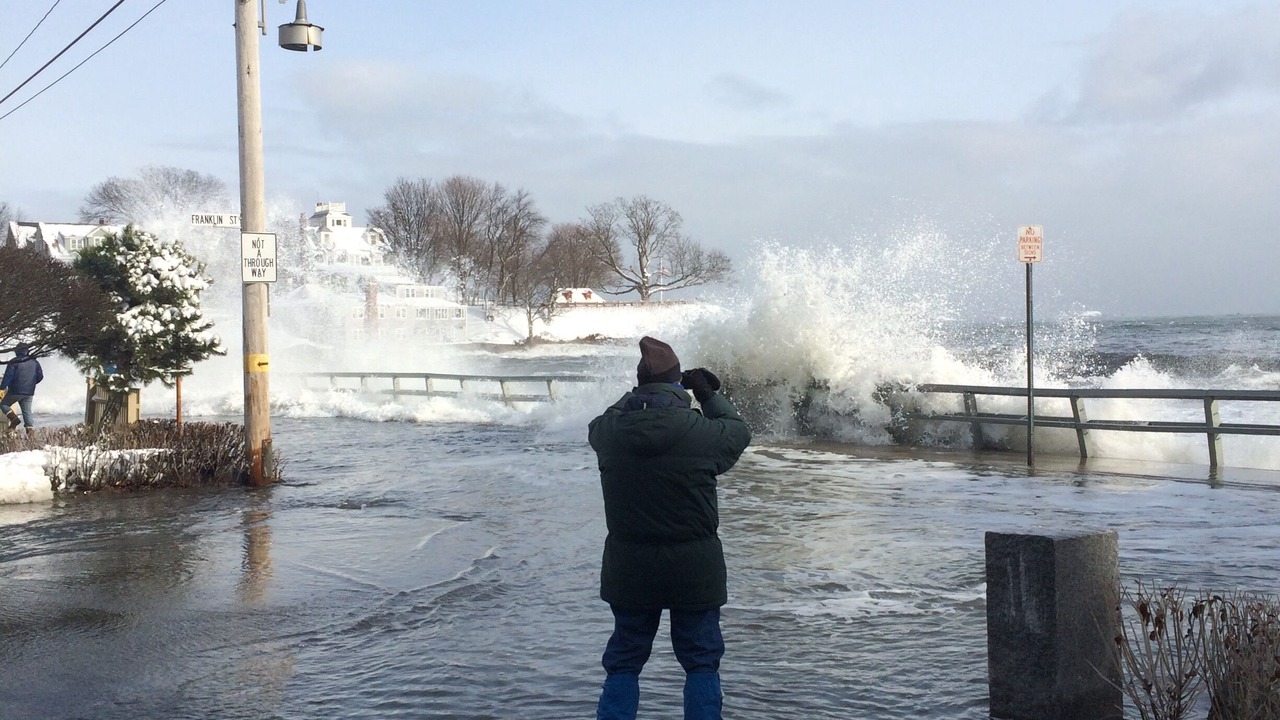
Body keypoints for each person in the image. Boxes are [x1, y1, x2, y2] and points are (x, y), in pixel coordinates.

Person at [588, 336, 752, 720]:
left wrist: (636, 395)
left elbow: (602, 420)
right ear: (679, 383)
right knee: (701, 660)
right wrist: (706, 394)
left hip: (630, 570)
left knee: (625, 660)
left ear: (640, 384)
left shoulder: (610, 434)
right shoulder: (702, 434)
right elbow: (738, 429)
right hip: (694, 570)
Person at [1, 343, 44, 434]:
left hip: (15, 390)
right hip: (29, 391)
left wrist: (2, 388)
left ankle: (14, 419)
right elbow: (40, 377)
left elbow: (8, 376)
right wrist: (31, 383)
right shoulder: (35, 362)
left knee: (4, 405)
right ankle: (30, 432)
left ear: (17, 351)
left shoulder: (14, 361)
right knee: (27, 411)